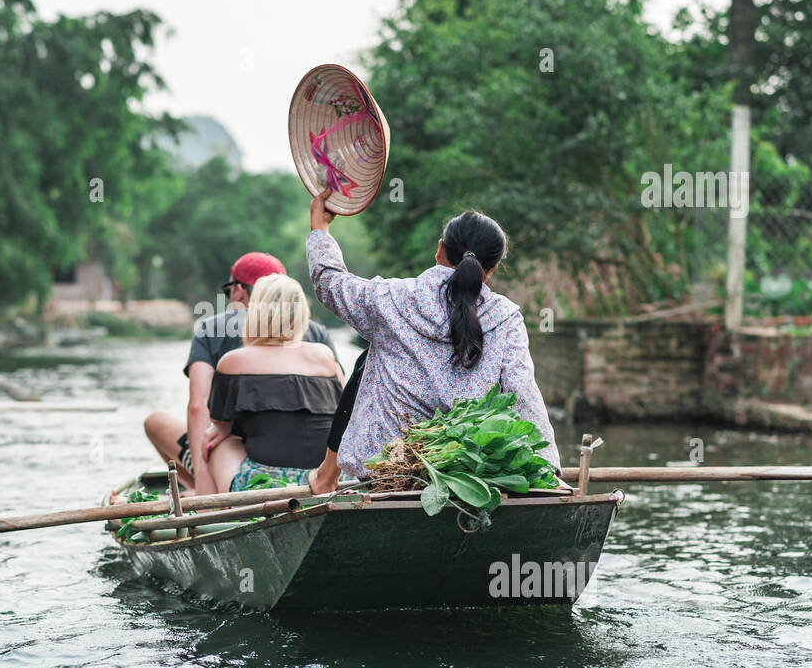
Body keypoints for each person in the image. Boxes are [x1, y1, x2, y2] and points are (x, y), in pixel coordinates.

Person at [305, 187, 561, 488]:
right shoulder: (506, 317)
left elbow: (329, 282)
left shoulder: (391, 298)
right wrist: (549, 472)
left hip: (388, 471)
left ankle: (327, 475)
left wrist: (320, 230)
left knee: (364, 361)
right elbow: (523, 394)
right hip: (469, 473)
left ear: (439, 250)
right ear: (490, 271)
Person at [143, 251, 337, 494]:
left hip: (248, 462)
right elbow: (340, 407)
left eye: (229, 291)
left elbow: (198, 406)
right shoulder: (319, 339)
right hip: (319, 471)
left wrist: (205, 487)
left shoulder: (214, 332)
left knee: (162, 423)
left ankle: (200, 492)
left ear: (241, 292)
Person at [200, 275, 345, 493]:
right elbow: (346, 412)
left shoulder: (232, 362)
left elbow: (219, 422)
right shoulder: (324, 356)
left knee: (219, 442)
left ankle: (217, 508)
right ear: (301, 313)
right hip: (328, 477)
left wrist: (222, 428)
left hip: (264, 486)